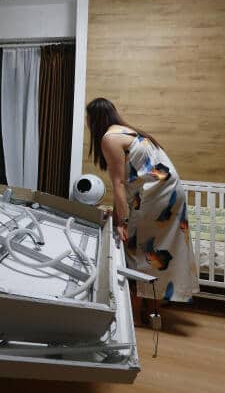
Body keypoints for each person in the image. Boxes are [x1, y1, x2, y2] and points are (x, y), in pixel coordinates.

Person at [86, 97, 199, 321]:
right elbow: (132, 185)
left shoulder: (109, 138)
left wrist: (121, 223)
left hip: (157, 194)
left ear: (93, 119)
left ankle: (134, 316)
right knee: (155, 250)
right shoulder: (127, 131)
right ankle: (153, 310)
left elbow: (119, 184)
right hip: (170, 191)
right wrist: (119, 215)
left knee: (136, 250)